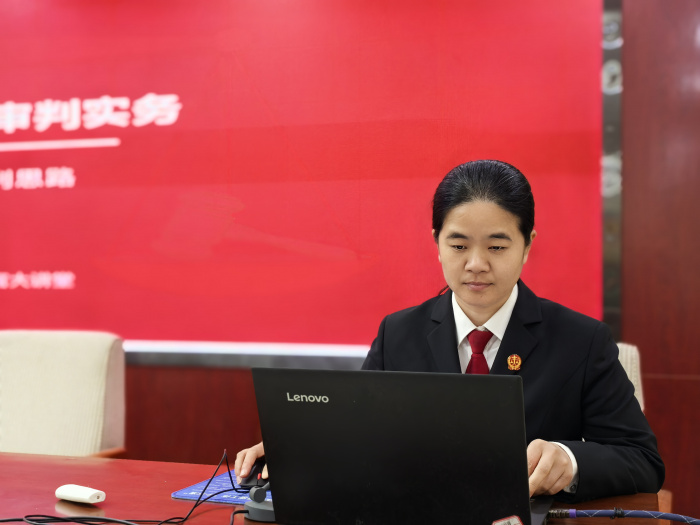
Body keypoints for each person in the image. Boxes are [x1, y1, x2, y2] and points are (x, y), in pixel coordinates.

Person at [236, 159, 664, 502]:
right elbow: (360, 434)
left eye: (497, 246)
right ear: (437, 244)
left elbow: (643, 460)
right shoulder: (398, 333)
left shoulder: (582, 341)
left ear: (527, 245)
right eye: (458, 246)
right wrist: (299, 447)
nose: (476, 264)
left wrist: (569, 460)